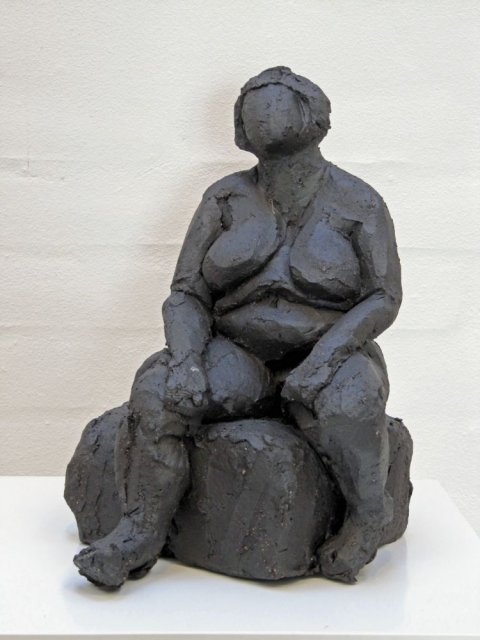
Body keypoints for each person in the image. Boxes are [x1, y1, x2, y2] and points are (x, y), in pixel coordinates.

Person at [74, 66, 402, 587]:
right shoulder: (224, 198)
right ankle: (139, 532)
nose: (263, 109)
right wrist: (186, 360)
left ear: (315, 118)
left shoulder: (358, 202)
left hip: (330, 351)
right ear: (240, 129)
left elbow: (384, 297)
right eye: (253, 103)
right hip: (236, 351)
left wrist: (325, 359)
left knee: (350, 403)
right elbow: (186, 292)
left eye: (278, 100)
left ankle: (366, 517)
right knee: (157, 388)